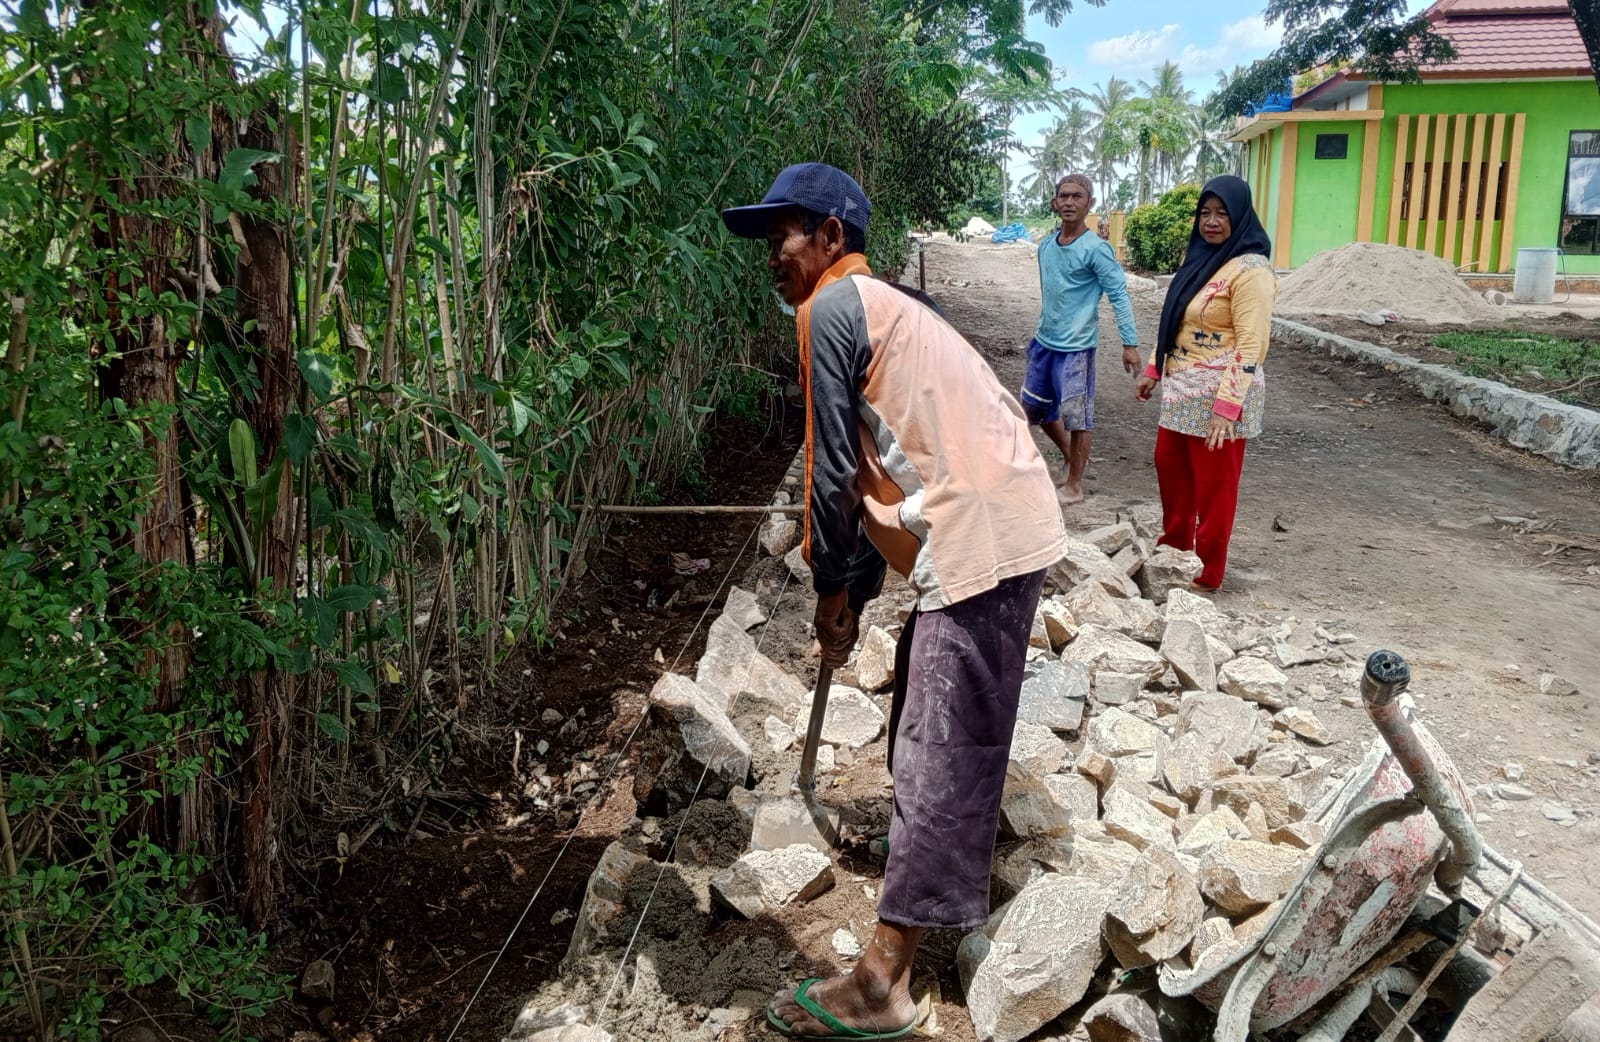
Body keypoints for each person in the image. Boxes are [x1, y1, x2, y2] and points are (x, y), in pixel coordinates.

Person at [721, 163, 1067, 1040]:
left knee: (942, 736)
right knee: (925, 690)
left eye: (783, 239)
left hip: (979, 528)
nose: (775, 259)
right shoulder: (890, 306)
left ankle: (884, 981)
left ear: (831, 237)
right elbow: (884, 467)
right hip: (988, 514)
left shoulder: (828, 310)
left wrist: (831, 592)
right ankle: (933, 861)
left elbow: (831, 471)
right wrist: (859, 593)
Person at [1135, 174, 1278, 592]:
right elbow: (1176, 319)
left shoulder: (1251, 271)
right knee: (1171, 467)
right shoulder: (1201, 260)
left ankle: (1208, 573)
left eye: (1222, 214)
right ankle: (1176, 552)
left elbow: (1253, 343)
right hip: (1182, 390)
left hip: (1221, 396)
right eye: (1205, 213)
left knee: (1215, 487)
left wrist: (1227, 406)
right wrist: (1153, 368)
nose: (1211, 222)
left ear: (1240, 217)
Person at [1021, 174, 1141, 505]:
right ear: (1054, 203)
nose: (1070, 202)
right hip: (1044, 343)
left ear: (1090, 203)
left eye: (1078, 196)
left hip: (1076, 349)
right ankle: (1071, 459)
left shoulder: (1096, 250)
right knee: (1036, 409)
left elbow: (1118, 293)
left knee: (1077, 418)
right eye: (1064, 196)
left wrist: (1129, 343)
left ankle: (1074, 484)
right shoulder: (1045, 246)